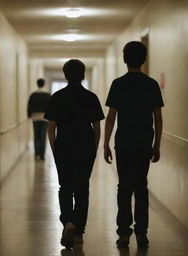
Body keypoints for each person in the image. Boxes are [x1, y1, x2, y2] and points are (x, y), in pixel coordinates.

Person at [104, 41, 164, 248]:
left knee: (124, 187)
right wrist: (157, 145)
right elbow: (158, 118)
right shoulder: (151, 84)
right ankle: (141, 233)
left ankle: (123, 233)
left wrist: (105, 143)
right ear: (144, 59)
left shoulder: (118, 84)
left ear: (124, 59)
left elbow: (111, 117)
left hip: (123, 144)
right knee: (141, 187)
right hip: (143, 143)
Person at [44, 59, 105, 249]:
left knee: (65, 187)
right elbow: (96, 127)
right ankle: (79, 230)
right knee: (82, 189)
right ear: (83, 75)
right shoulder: (91, 97)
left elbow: (51, 127)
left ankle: (68, 221)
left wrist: (55, 149)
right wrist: (94, 149)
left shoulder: (57, 97)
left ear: (65, 75)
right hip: (85, 147)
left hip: (64, 147)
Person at [27, 78, 51, 160]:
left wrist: (29, 115)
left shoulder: (33, 95)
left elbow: (29, 106)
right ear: (43, 84)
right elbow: (50, 107)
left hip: (35, 118)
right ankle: (42, 155)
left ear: (37, 84)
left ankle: (37, 154)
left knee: (36, 136)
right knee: (43, 136)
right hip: (45, 118)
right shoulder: (48, 95)